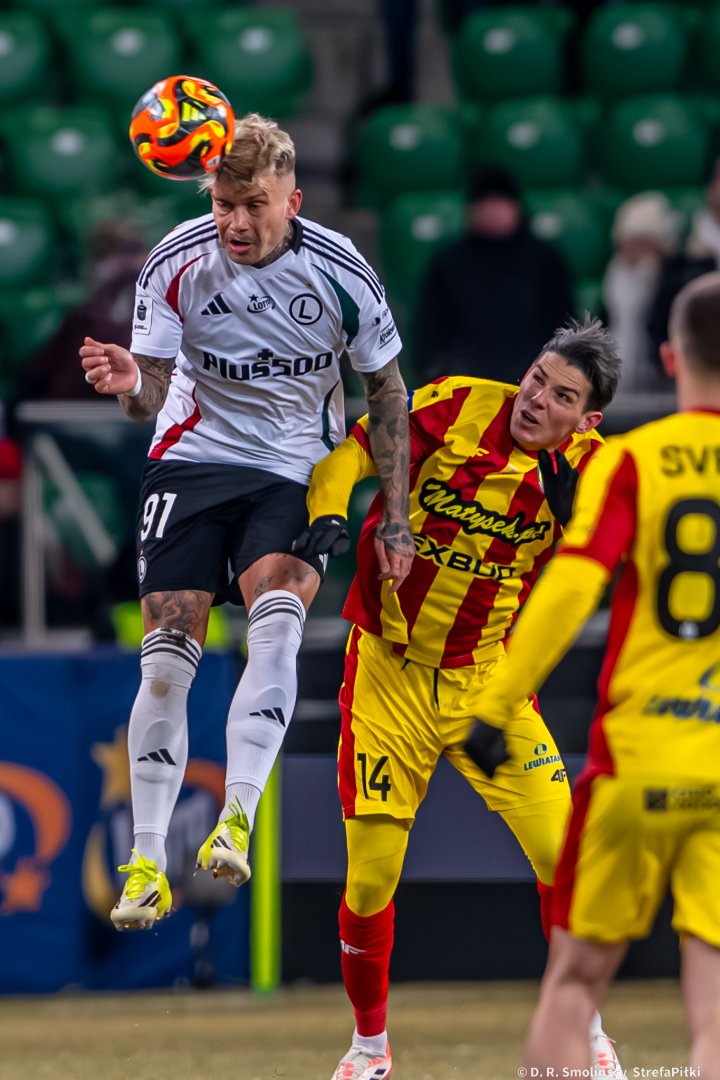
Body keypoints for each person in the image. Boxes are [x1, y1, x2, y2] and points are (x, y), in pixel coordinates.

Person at [78, 112, 414, 930]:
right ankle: (147, 863)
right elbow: (151, 396)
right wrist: (131, 382)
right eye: (224, 203)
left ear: (291, 200)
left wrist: (396, 518)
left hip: (292, 470)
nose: (235, 221)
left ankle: (236, 817)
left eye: (253, 204)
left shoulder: (341, 272)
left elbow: (388, 394)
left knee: (277, 624)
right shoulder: (176, 262)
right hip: (192, 461)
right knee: (167, 661)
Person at [292, 316, 624, 1080]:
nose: (536, 399)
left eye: (562, 396)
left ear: (588, 418)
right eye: (537, 378)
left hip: (488, 682)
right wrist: (332, 519)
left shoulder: (593, 471)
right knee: (370, 878)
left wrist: (580, 518)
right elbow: (344, 461)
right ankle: (368, 1050)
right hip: (389, 674)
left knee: (566, 861)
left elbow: (623, 557)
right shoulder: (457, 404)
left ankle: (587, 1034)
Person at [465, 273, 720, 1078]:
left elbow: (572, 588)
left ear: (670, 358)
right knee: (714, 996)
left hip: (637, 760)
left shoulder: (635, 461)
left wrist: (496, 703)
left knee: (573, 984)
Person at [411, 166, 575, 385]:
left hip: (534, 383)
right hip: (464, 383)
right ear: (471, 210)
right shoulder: (448, 260)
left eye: (501, 202)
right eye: (486, 203)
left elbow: (563, 325)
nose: (494, 211)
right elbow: (429, 327)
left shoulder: (546, 259)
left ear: (517, 207)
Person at [601, 190, 678, 394]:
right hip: (617, 378)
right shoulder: (614, 278)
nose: (633, 250)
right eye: (628, 242)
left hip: (660, 379)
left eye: (641, 242)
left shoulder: (670, 285)